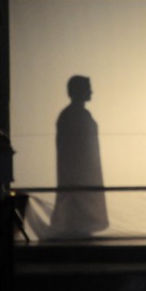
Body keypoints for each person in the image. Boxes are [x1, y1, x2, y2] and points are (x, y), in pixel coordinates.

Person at [50, 75, 108, 238]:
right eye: (88, 88)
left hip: (83, 175)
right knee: (77, 217)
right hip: (78, 177)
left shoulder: (75, 115)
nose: (91, 92)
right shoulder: (73, 115)